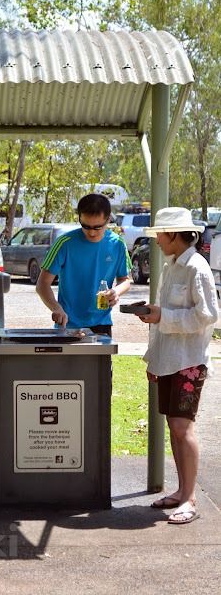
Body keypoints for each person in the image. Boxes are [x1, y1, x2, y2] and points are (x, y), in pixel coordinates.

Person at [136, 207, 218, 524]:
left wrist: (163, 317)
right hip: (170, 359)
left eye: (159, 234)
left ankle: (190, 499)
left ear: (173, 235)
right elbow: (164, 318)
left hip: (190, 361)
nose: (156, 240)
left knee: (183, 428)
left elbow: (208, 315)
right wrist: (154, 357)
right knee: (175, 427)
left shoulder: (197, 268)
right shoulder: (172, 266)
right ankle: (183, 492)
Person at [36, 193, 131, 335]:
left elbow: (125, 280)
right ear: (79, 217)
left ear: (108, 219)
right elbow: (42, 284)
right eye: (85, 226)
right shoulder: (64, 243)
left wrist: (115, 292)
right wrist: (56, 308)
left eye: (97, 227)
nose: (91, 232)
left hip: (102, 323)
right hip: (68, 324)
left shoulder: (117, 243)